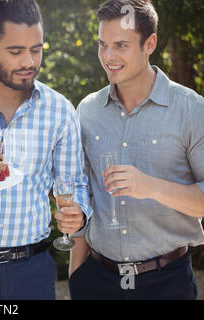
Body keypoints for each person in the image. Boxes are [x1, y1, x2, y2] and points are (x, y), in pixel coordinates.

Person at [0, 0, 92, 300]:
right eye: (16, 51)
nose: (29, 61)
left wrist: (79, 214)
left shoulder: (59, 110)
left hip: (31, 272)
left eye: (36, 50)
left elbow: (74, 186)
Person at [69, 0, 204, 300]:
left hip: (167, 284)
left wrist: (151, 186)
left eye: (121, 45)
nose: (108, 56)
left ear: (150, 43)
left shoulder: (191, 110)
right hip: (96, 281)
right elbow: (82, 194)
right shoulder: (87, 111)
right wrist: (76, 274)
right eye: (103, 44)